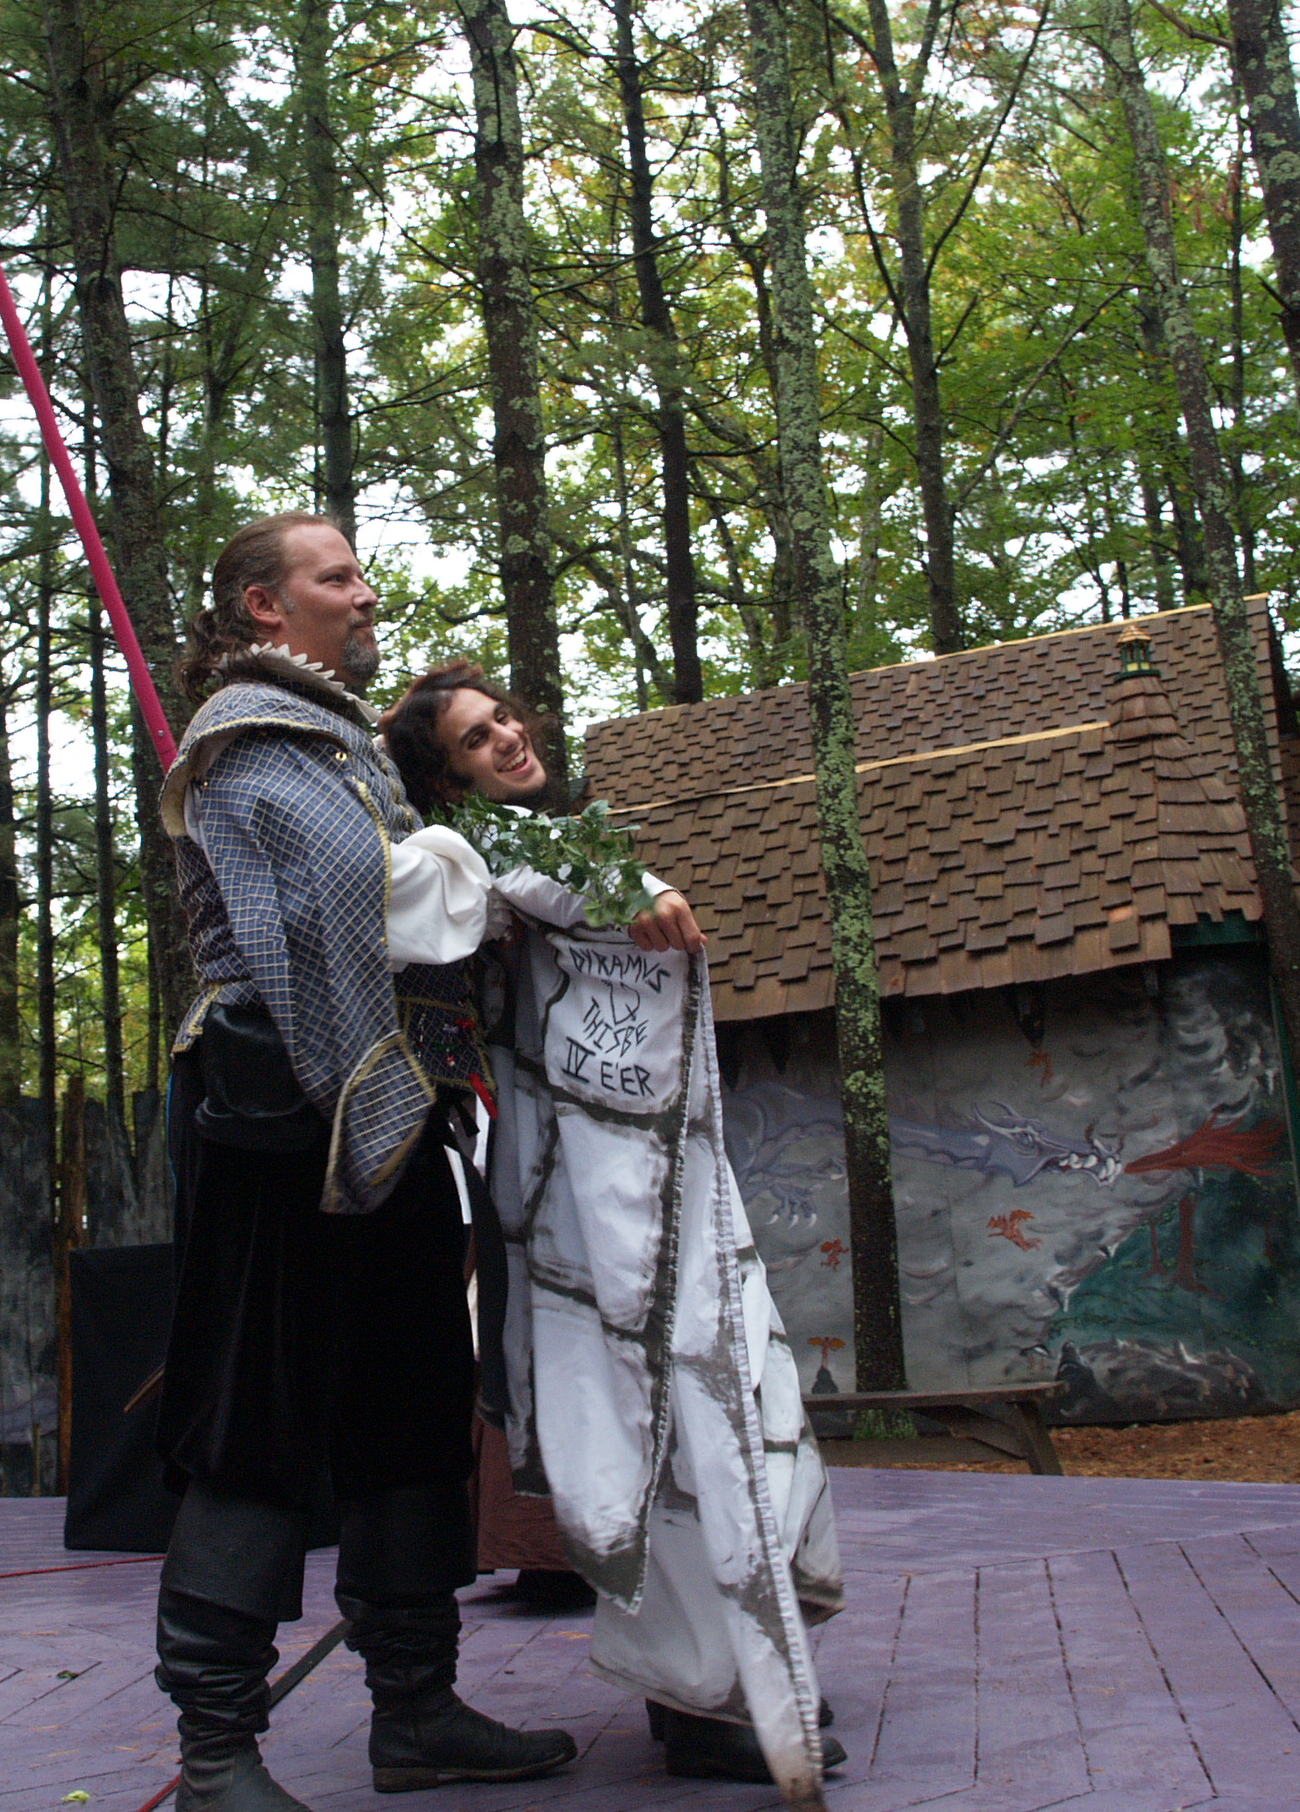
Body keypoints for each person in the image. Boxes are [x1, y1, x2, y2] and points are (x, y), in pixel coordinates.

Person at [149, 518, 577, 1812]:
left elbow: (406, 905)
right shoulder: (247, 740)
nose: (365, 592)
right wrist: (461, 878)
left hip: (395, 1111)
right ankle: (218, 1753)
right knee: (255, 1424)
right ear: (264, 605)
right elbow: (347, 902)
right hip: (279, 1120)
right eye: (336, 576)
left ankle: (417, 1711)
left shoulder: (332, 737)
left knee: (410, 1409)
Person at [384, 661, 844, 1798]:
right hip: (585, 1208)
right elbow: (544, 889)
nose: (507, 736)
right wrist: (630, 890)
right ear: (449, 780)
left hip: (668, 1183)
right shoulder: (477, 864)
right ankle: (701, 1694)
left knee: (744, 1401)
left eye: (505, 717)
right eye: (475, 738)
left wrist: (626, 882)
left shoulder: (552, 845)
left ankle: (749, 1654)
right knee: (662, 1418)